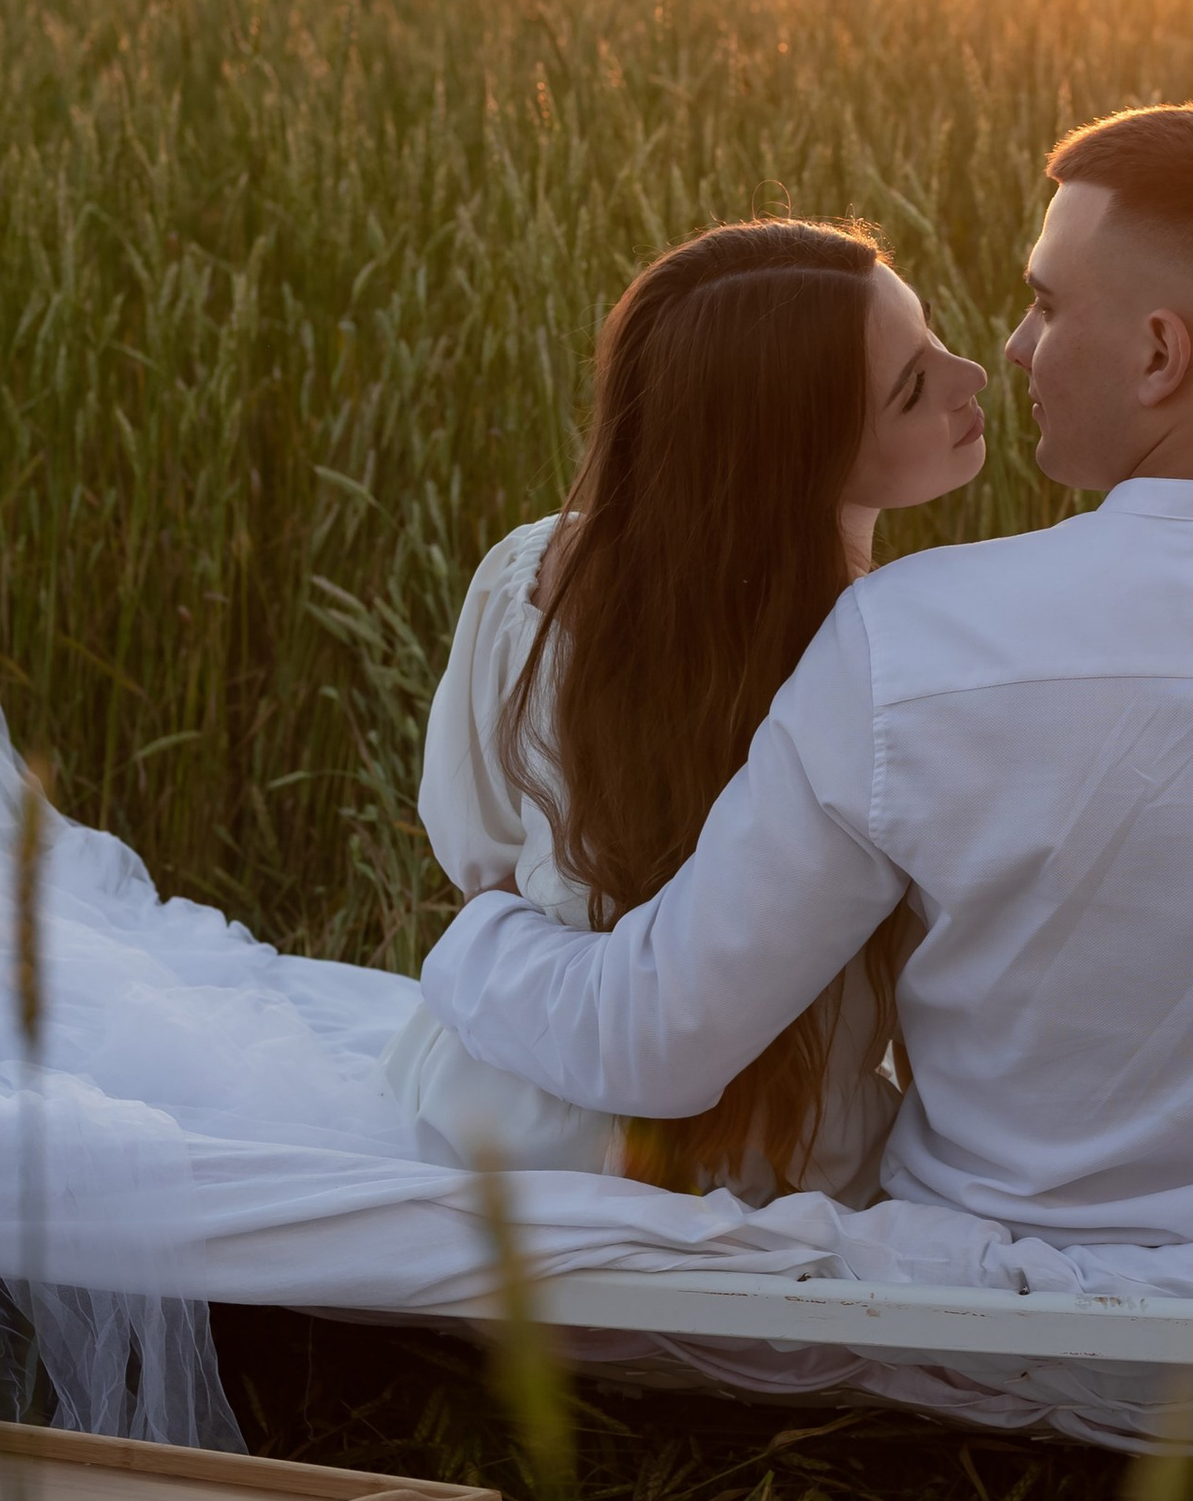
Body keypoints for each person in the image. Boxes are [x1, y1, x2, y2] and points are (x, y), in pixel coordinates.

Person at [420, 104, 1193, 1250]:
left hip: (1020, 1301)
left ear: (1160, 352)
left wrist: (468, 941)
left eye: (1045, 304)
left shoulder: (909, 641)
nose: (1008, 349)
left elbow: (659, 1028)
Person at [386, 217, 988, 1198]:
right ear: (794, 452)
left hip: (504, 1120)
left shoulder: (528, 580)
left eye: (934, 340)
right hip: (772, 1161)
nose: (974, 376)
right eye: (914, 386)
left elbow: (478, 857)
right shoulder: (888, 664)